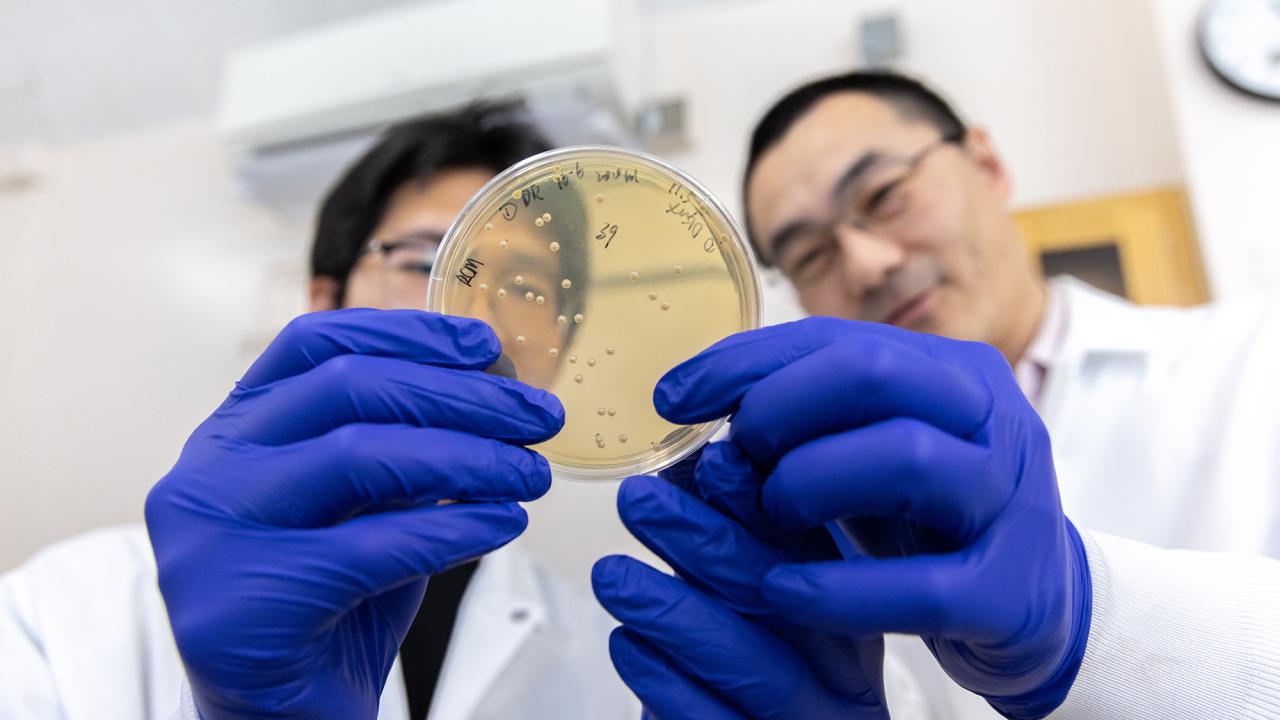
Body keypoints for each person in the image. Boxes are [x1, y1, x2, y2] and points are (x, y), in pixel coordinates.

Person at [588, 70, 1280, 719]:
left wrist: (1096, 623)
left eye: (885, 195)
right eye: (811, 256)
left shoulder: (1256, 358)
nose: (867, 264)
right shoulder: (810, 517)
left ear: (986, 165)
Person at [0, 102, 636, 720]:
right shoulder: (66, 612)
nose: (474, 309)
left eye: (525, 286)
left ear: (559, 353)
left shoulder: (605, 662)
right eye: (425, 261)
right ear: (323, 304)